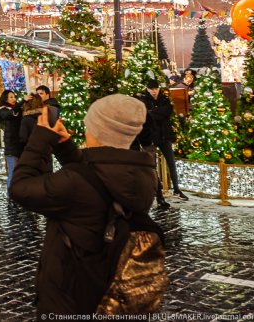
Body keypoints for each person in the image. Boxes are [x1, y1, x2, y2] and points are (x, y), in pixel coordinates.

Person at [10, 94, 159, 316]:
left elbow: (20, 188)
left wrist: (39, 140)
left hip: (71, 294)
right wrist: (65, 148)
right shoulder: (143, 173)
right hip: (108, 287)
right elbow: (98, 179)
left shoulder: (75, 181)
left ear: (96, 130)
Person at [137, 78, 187, 202]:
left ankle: (176, 189)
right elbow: (146, 115)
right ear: (147, 89)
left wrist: (153, 112)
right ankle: (157, 192)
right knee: (152, 166)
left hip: (164, 136)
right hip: (151, 137)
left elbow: (168, 111)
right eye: (151, 89)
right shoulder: (142, 100)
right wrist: (158, 113)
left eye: (156, 89)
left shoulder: (164, 99)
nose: (154, 92)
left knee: (171, 162)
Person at [0, 89, 24, 192]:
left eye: (14, 97)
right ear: (5, 99)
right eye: (11, 97)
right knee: (12, 173)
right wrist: (22, 102)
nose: (14, 99)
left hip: (20, 144)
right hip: (11, 146)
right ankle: (11, 196)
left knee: (20, 173)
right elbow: (8, 114)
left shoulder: (18, 109)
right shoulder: (3, 110)